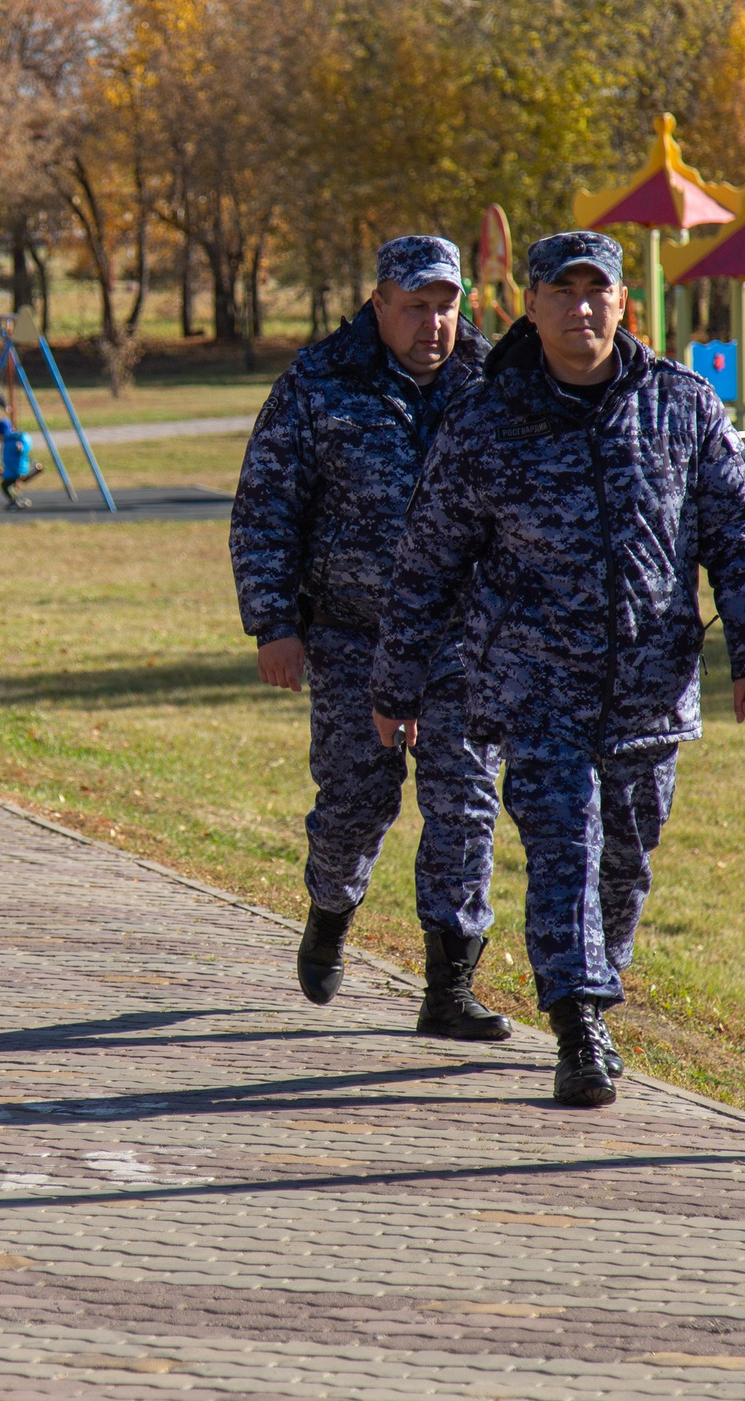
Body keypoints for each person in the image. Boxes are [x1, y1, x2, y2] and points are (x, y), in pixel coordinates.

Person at [372, 230, 745, 1108]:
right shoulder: (488, 420)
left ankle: (597, 980)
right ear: (530, 304)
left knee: (626, 863)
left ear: (623, 305)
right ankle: (578, 1027)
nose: (581, 308)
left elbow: (741, 534)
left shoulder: (680, 405)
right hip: (535, 687)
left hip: (650, 690)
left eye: (597, 292)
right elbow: (429, 559)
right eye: (561, 291)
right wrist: (396, 682)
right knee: (565, 847)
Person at [230, 235, 507, 1040]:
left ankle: (448, 988)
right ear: (378, 304)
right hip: (354, 638)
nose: (432, 323)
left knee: (465, 802)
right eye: (415, 306)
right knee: (357, 802)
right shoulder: (319, 384)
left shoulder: (493, 388)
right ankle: (330, 907)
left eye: (445, 306)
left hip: (463, 642)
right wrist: (274, 625)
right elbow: (265, 510)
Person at [0, 418, 42, 509]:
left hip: (16, 470)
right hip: (13, 469)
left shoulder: (13, 441)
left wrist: (20, 449)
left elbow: (23, 451)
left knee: (5, 486)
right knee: (10, 486)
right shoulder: (7, 442)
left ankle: (15, 501)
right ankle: (21, 499)